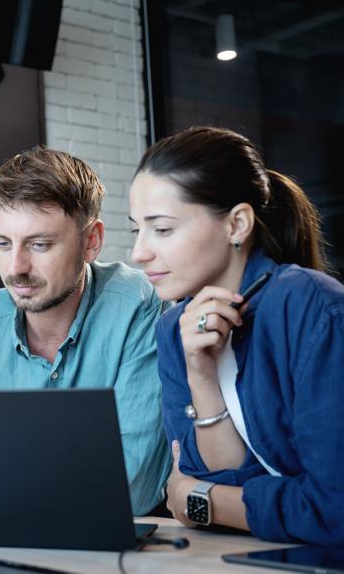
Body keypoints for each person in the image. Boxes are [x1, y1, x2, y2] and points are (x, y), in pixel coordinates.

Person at [129, 126, 344, 545]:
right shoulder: (174, 329)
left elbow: (334, 509)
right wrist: (202, 375)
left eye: (162, 229)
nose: (139, 252)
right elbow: (220, 478)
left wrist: (203, 501)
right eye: (137, 228)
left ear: (237, 224)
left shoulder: (308, 306)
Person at [0, 146, 171, 516]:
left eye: (39, 244)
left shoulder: (140, 306)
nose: (16, 267)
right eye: (2, 243)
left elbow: (132, 488)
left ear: (91, 241)